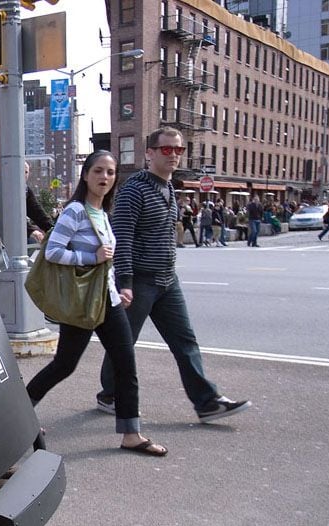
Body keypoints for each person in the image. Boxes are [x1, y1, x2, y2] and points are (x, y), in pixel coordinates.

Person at [95, 127, 251, 424]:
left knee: (185, 342)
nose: (174, 155)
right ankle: (109, 394)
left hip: (168, 280)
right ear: (150, 153)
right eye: (167, 149)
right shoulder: (134, 189)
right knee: (123, 343)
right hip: (139, 281)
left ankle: (206, 402)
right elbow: (122, 238)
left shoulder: (168, 187)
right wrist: (125, 283)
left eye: (179, 150)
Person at [26, 151, 166, 456]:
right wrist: (91, 257)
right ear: (86, 175)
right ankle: (22, 413)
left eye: (111, 172)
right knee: (65, 365)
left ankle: (131, 433)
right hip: (83, 302)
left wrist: (119, 288)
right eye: (99, 171)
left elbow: (107, 263)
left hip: (108, 301)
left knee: (125, 364)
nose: (105, 177)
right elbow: (52, 253)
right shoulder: (75, 211)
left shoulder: (104, 213)